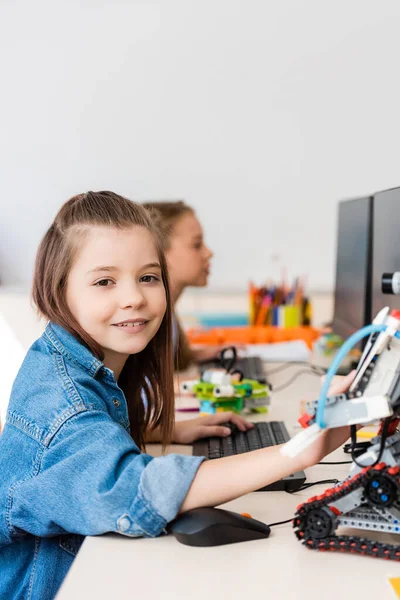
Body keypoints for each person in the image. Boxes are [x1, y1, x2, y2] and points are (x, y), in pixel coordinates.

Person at [0, 191, 352, 599]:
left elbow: (79, 457)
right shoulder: (62, 403)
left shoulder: (81, 363)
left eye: (148, 277)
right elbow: (134, 488)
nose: (134, 297)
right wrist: (300, 451)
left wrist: (157, 429)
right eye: (104, 281)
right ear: (59, 291)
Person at [143, 200, 230, 369]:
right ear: (160, 253)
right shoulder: (146, 315)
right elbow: (143, 388)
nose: (208, 253)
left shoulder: (169, 314)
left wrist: (194, 355)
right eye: (196, 245)